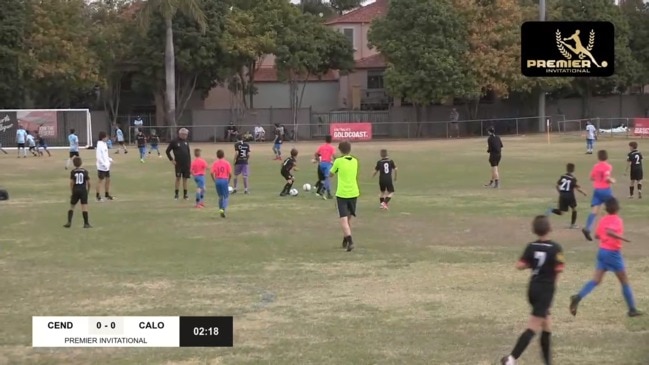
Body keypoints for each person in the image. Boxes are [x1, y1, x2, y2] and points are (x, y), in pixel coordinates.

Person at [500, 216, 564, 365]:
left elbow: (519, 265)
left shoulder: (531, 246)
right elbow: (559, 268)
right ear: (550, 228)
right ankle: (511, 359)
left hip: (533, 289)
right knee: (533, 327)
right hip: (545, 290)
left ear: (534, 230)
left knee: (547, 326)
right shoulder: (556, 248)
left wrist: (533, 264)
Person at [570, 198, 642, 318]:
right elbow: (609, 232)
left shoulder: (603, 219)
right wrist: (623, 238)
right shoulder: (617, 220)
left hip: (602, 252)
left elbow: (597, 235)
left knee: (596, 281)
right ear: (617, 208)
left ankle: (578, 297)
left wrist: (606, 232)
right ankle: (632, 309)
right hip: (612, 253)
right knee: (624, 281)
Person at [330, 141, 360, 252]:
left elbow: (331, 174)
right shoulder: (355, 161)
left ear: (340, 150)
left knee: (343, 219)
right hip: (354, 192)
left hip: (342, 193)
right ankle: (345, 238)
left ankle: (350, 241)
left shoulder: (338, 161)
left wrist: (334, 164)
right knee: (348, 218)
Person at [582, 150, 615, 241]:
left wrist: (597, 179)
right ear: (606, 157)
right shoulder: (608, 166)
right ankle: (604, 231)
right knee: (611, 210)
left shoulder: (596, 166)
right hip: (606, 190)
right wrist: (612, 180)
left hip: (597, 190)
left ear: (598, 157)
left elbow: (591, 178)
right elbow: (607, 178)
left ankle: (587, 228)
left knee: (594, 211)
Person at [547, 163, 586, 228]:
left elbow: (557, 185)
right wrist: (583, 192)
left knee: (561, 212)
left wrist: (560, 192)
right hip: (570, 196)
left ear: (566, 169)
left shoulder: (563, 176)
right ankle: (572, 225)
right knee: (574, 209)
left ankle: (551, 210)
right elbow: (577, 188)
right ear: (573, 170)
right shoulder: (573, 178)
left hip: (562, 196)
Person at [64, 156, 92, 228]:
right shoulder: (85, 171)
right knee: (84, 207)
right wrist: (87, 191)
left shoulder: (73, 172)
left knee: (72, 206)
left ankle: (69, 222)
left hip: (76, 190)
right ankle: (86, 223)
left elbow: (71, 183)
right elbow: (89, 183)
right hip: (83, 190)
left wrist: (72, 192)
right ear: (81, 163)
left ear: (74, 164)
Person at [166, 128, 191, 200]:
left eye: (186, 134)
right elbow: (167, 151)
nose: (186, 136)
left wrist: (189, 164)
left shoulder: (186, 141)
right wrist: (171, 160)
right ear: (181, 134)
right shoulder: (174, 141)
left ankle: (185, 195)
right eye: (185, 134)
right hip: (178, 164)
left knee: (185, 179)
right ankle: (176, 194)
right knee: (178, 178)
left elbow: (188, 153)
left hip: (186, 164)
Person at [211, 150, 232, 218]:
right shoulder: (226, 163)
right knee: (226, 196)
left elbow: (211, 173)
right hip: (224, 180)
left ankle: (220, 211)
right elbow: (230, 174)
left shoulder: (215, 163)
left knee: (220, 197)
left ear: (217, 156)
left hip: (218, 180)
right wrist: (228, 180)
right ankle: (223, 208)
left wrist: (214, 180)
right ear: (223, 155)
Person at [314, 135, 335, 199]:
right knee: (327, 179)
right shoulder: (331, 148)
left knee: (326, 179)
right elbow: (334, 156)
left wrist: (318, 160)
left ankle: (329, 194)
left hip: (321, 165)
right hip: (327, 165)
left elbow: (316, 154)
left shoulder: (322, 147)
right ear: (331, 140)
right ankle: (323, 190)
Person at [95, 131, 114, 201]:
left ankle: (107, 194)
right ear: (103, 137)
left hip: (107, 166)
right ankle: (97, 195)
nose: (107, 138)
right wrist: (103, 164)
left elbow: (105, 155)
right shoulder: (99, 145)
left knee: (108, 180)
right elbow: (99, 157)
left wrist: (109, 159)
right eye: (106, 137)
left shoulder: (105, 144)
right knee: (100, 180)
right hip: (101, 166)